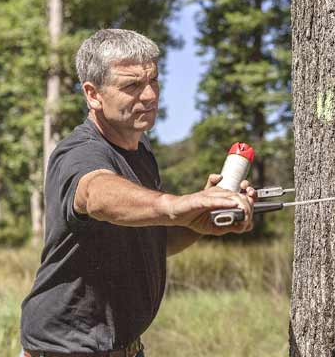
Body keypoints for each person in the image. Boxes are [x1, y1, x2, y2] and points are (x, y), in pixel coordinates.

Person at [19, 29, 255, 357]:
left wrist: (197, 222)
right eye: (132, 86)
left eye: (153, 81)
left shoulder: (141, 150)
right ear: (93, 94)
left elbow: (150, 240)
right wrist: (177, 204)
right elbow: (97, 195)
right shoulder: (79, 152)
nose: (149, 95)